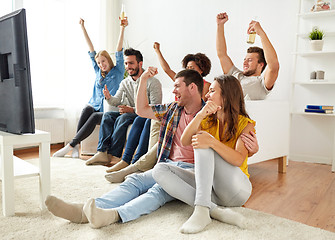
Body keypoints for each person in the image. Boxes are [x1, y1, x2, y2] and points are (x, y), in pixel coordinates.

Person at [46, 69, 237, 229]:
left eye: (178, 86)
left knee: (157, 191)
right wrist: (144, 79)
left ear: (192, 87)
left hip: (191, 172)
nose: (174, 91)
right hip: (166, 165)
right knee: (134, 181)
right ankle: (84, 211)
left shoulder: (211, 115)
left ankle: (114, 215)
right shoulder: (172, 109)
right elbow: (141, 110)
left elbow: (226, 144)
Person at [153, 75, 255, 234]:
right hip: (214, 192)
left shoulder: (245, 124)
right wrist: (200, 115)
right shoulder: (208, 120)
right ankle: (212, 210)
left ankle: (202, 209)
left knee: (203, 141)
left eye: (212, 91)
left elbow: (238, 159)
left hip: (238, 189)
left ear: (226, 96)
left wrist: (212, 142)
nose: (207, 95)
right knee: (159, 170)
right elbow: (185, 140)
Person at [53, 17, 128, 158]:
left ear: (108, 60)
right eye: (99, 63)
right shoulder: (98, 71)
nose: (101, 65)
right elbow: (91, 49)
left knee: (94, 116)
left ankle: (71, 145)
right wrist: (83, 27)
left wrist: (122, 28)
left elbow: (119, 50)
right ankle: (75, 147)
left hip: (109, 110)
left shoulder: (118, 71)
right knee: (87, 108)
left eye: (103, 61)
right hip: (95, 105)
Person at [85, 48, 162, 166]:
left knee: (124, 117)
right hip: (131, 112)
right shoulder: (125, 82)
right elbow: (116, 101)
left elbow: (154, 108)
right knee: (108, 116)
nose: (127, 66)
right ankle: (102, 152)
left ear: (140, 64)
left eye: (131, 63)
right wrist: (109, 97)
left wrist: (133, 110)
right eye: (126, 63)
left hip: (143, 115)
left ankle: (114, 155)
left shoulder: (153, 82)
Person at [216, 12, 279, 100]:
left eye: (249, 60)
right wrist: (220, 25)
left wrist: (261, 33)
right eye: (244, 60)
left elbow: (274, 65)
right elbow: (221, 54)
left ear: (260, 65)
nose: (244, 63)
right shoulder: (234, 74)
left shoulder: (262, 83)